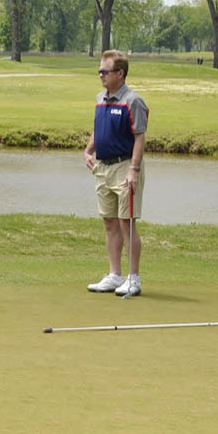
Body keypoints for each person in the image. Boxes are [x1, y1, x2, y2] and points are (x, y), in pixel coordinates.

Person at [83, 49, 148, 297]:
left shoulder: (133, 101)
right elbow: (98, 128)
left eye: (105, 71)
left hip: (125, 166)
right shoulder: (100, 97)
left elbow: (139, 137)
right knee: (109, 222)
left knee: (126, 223)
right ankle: (114, 275)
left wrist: (134, 169)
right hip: (103, 167)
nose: (101, 75)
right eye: (99, 71)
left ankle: (133, 278)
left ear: (120, 73)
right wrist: (88, 150)